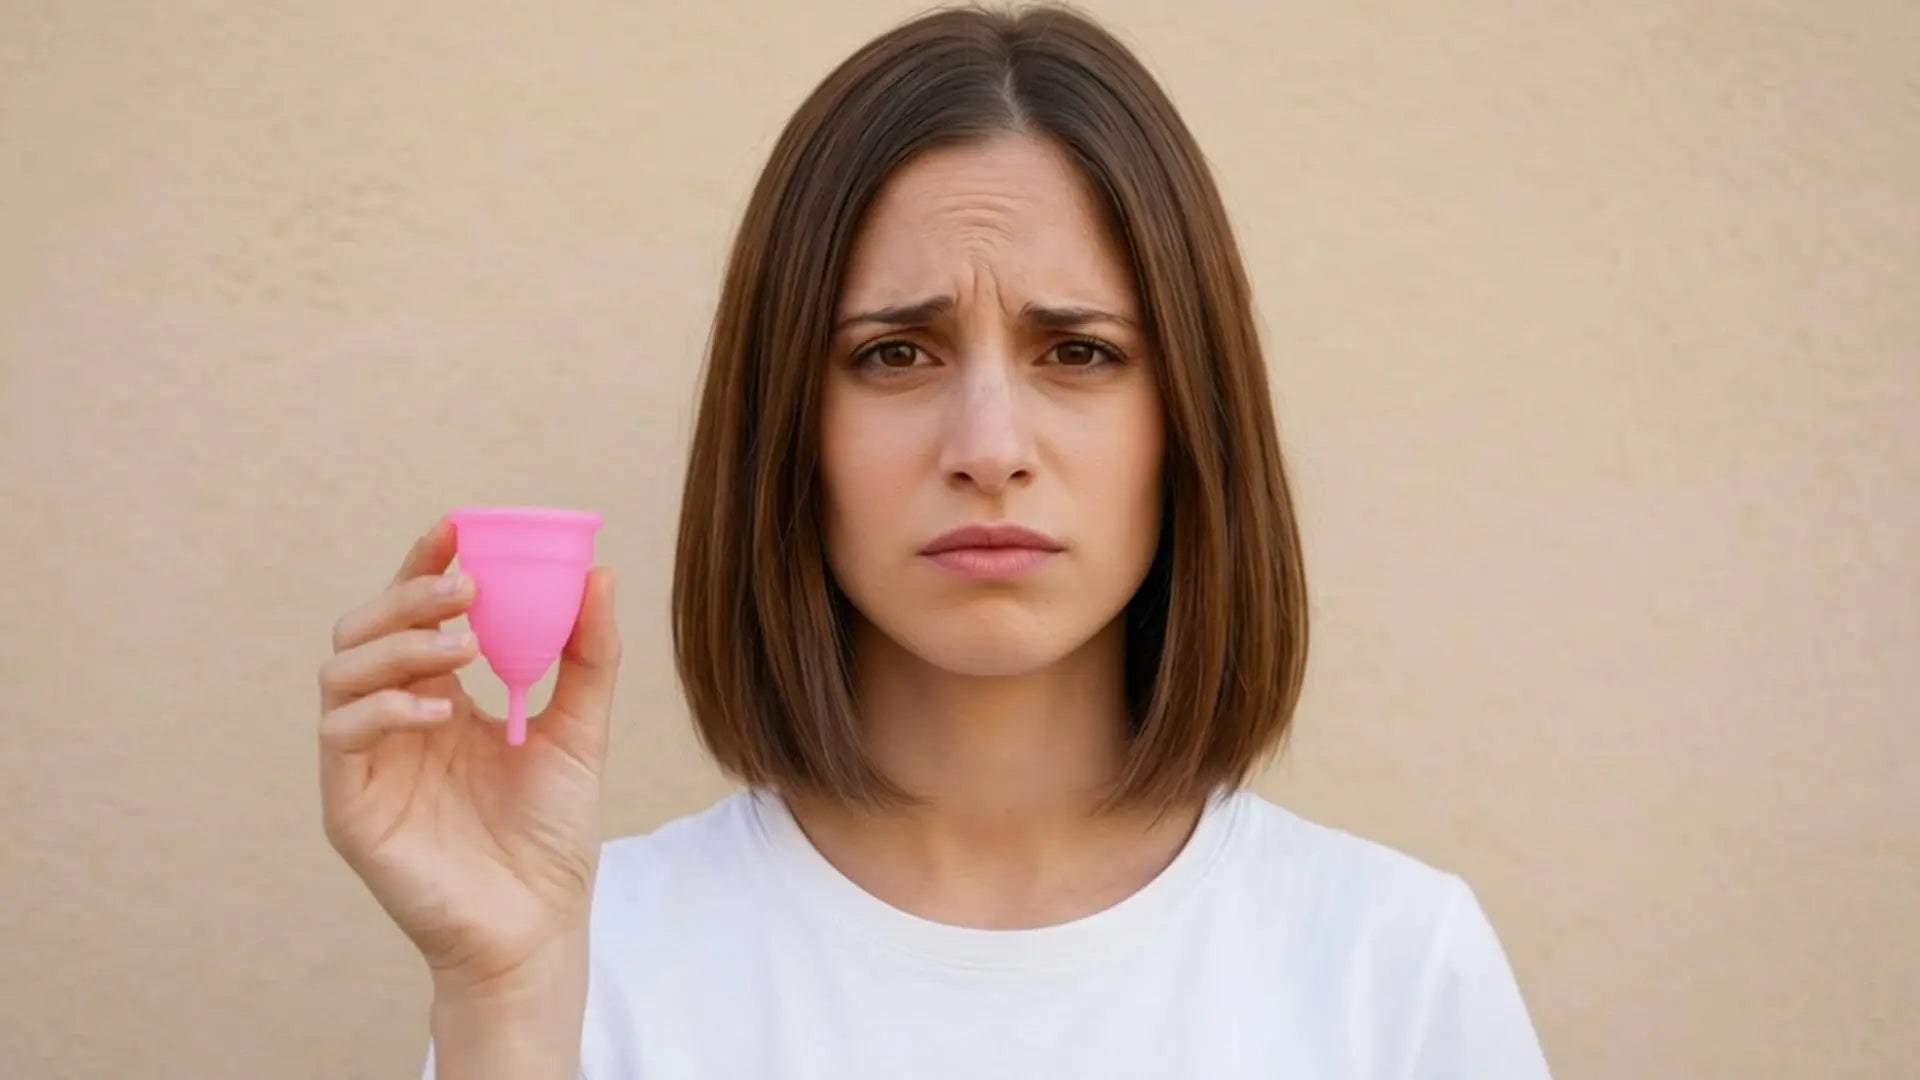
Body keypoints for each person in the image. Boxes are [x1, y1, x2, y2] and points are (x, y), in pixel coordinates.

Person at [316, 6, 1552, 1077]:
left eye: (1080, 352)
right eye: (894, 354)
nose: (989, 444)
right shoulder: (578, 955)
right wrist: (502, 1007)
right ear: (785, 432)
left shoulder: (1393, 969)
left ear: (1191, 424)